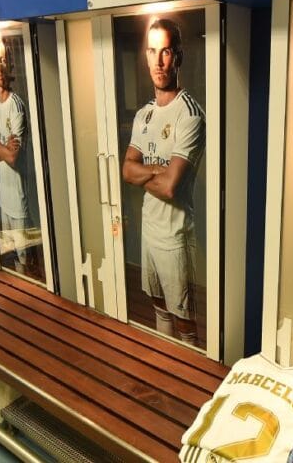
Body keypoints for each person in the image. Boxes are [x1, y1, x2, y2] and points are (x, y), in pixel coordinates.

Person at [122, 18, 205, 348]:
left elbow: (170, 187)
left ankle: (188, 382)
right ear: (145, 56)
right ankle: (164, 372)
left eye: (166, 52)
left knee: (184, 319)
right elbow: (126, 170)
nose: (158, 61)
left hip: (174, 235)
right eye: (153, 52)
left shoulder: (190, 114)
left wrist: (147, 171)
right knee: (159, 308)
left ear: (178, 56)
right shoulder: (144, 114)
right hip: (149, 228)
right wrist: (156, 169)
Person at [0, 36, 36, 276]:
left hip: (19, 197)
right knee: (10, 255)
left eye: (4, 59)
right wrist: (3, 148)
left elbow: (14, 157)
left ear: (11, 66)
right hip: (2, 197)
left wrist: (0, 148)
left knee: (25, 260)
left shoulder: (16, 105)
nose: (0, 65)